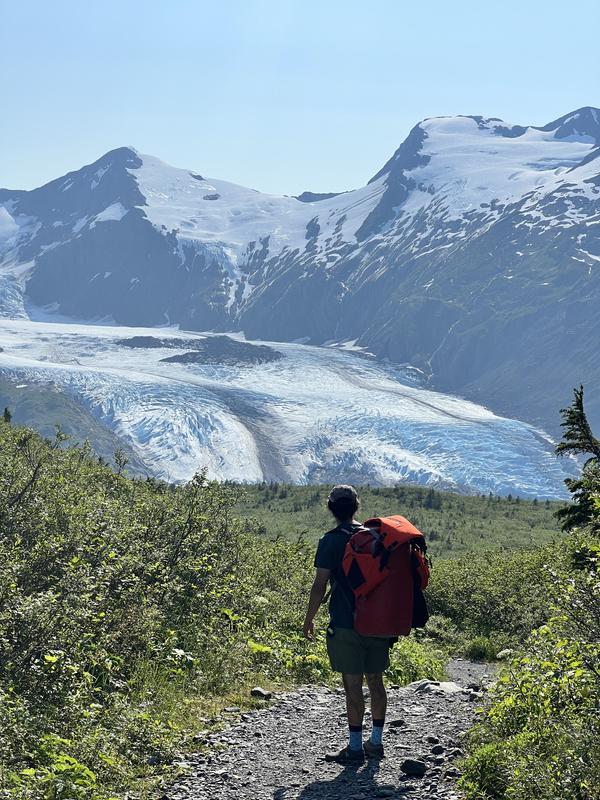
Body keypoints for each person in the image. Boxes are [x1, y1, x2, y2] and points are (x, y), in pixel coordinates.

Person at [303, 485, 390, 763]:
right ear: (357, 506)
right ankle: (375, 744)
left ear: (330, 508)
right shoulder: (375, 537)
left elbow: (319, 586)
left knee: (352, 685)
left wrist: (309, 619)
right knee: (376, 681)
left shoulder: (330, 541)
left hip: (344, 622)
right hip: (377, 622)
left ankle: (354, 749)